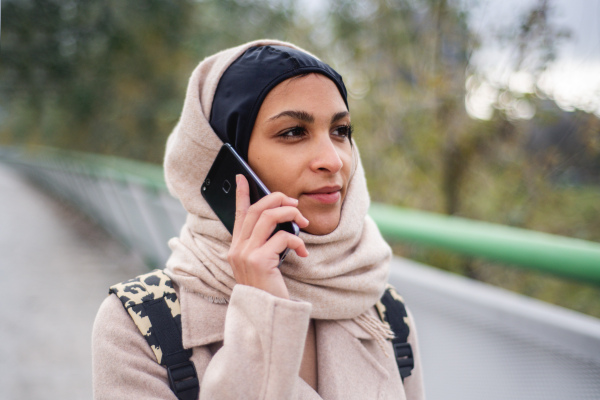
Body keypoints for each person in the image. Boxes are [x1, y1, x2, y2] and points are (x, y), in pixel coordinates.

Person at [92, 39, 425, 400]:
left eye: (340, 131)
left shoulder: (384, 309)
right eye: (293, 132)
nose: (333, 160)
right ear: (222, 158)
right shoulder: (141, 324)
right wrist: (261, 312)